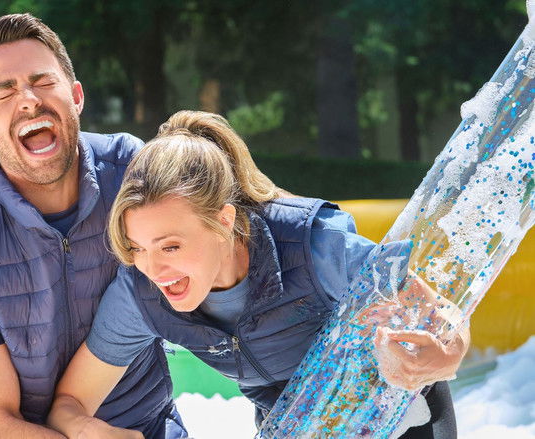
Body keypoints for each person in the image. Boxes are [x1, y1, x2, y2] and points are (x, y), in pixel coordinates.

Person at [46, 111, 468, 438]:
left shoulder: (313, 247)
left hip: (399, 412)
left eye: (170, 246)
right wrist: (84, 429)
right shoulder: (140, 294)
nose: (154, 269)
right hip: (292, 424)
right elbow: (70, 401)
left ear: (224, 221)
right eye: (138, 248)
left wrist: (448, 354)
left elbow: (443, 314)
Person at [0, 14, 186, 439]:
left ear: (76, 97)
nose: (27, 100)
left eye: (42, 81)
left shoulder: (132, 175)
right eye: (4, 91)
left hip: (145, 427)